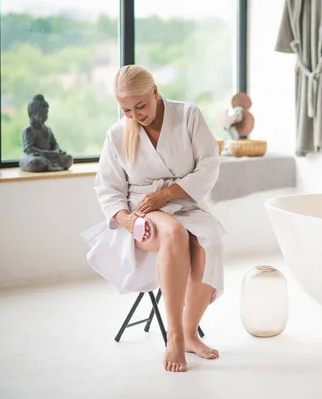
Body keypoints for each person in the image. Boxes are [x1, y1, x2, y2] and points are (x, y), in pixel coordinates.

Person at [81, 65, 225, 372]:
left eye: (140, 106)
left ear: (155, 92)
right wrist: (126, 220)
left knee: (208, 239)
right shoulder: (117, 134)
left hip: (187, 202)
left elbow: (209, 165)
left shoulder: (188, 116)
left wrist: (169, 193)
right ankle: (174, 336)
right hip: (143, 213)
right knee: (174, 233)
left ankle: (190, 334)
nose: (135, 115)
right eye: (126, 109)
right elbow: (108, 188)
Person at [19, 94, 73, 172]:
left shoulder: (48, 129)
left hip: (50, 156)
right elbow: (28, 149)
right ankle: (44, 164)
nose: (45, 116)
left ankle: (47, 164)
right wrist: (45, 153)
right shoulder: (29, 130)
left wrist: (57, 150)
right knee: (36, 163)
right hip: (37, 156)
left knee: (68, 159)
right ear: (33, 114)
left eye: (46, 113)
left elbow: (54, 144)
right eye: (41, 113)